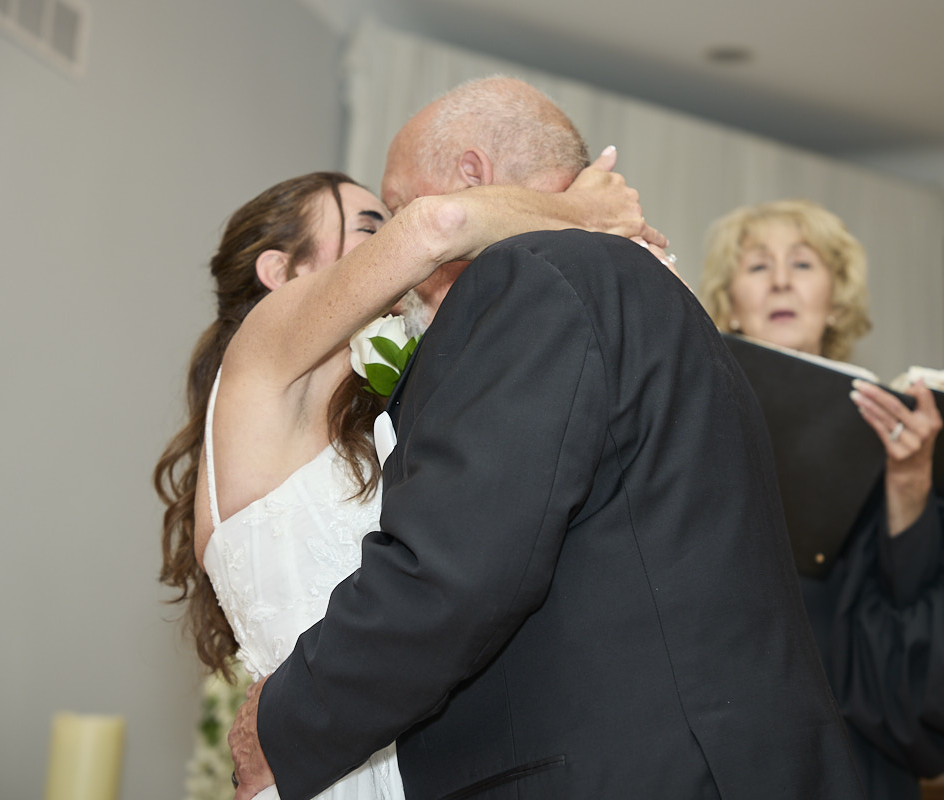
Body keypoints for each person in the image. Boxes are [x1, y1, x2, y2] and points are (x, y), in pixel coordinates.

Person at [231, 77, 865, 800]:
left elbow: (456, 567)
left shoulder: (532, 276)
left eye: (398, 208)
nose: (399, 276)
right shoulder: (645, 292)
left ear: (472, 178)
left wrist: (285, 722)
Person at [155, 162, 661, 800]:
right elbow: (437, 226)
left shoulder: (356, 408)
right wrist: (582, 211)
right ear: (280, 270)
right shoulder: (262, 345)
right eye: (370, 227)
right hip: (324, 764)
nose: (388, 238)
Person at [699, 198, 944, 799]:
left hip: (852, 749)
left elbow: (916, 621)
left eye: (802, 264)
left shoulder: (891, 433)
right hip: (724, 742)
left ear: (836, 301)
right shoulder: (690, 422)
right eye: (757, 266)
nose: (781, 281)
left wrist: (909, 481)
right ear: (728, 304)